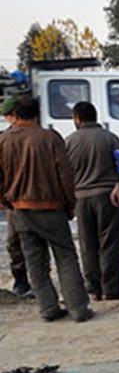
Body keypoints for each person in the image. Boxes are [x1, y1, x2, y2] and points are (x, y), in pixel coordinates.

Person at [0, 95, 92, 322]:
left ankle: (48, 309)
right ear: (36, 114)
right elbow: (65, 176)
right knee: (66, 257)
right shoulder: (50, 138)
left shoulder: (3, 140)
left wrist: (5, 201)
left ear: (15, 115)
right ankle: (79, 309)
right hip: (51, 208)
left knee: (35, 262)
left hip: (19, 209)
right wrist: (70, 205)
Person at [65, 101, 119, 301]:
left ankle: (94, 289)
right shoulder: (110, 138)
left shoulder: (69, 141)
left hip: (81, 199)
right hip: (108, 197)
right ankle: (112, 289)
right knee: (111, 244)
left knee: (88, 245)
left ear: (77, 119)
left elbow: (63, 172)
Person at [1, 96, 32, 297]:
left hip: (21, 199)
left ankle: (28, 281)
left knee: (24, 242)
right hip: (18, 199)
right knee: (16, 243)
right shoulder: (5, 139)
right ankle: (22, 280)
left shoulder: (35, 137)